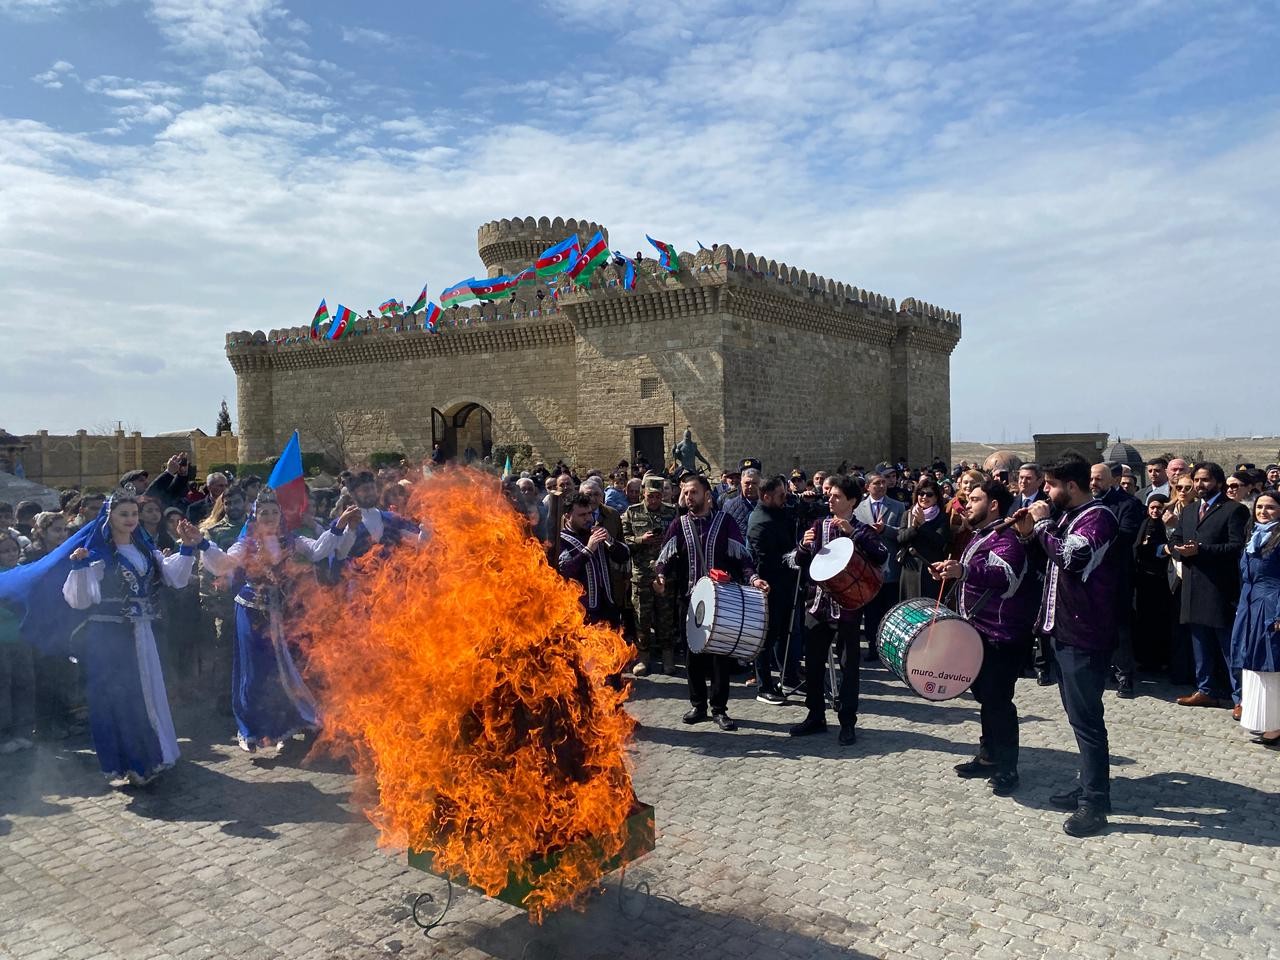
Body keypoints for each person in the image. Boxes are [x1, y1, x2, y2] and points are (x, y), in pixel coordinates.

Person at [201, 490, 360, 753]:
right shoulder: (245, 545)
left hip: (284, 611)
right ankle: (250, 729)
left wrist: (339, 524)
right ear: (255, 517)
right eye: (264, 513)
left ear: (281, 516)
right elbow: (224, 564)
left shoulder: (293, 541)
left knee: (284, 670)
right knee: (255, 672)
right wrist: (203, 545)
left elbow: (318, 551)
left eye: (274, 512)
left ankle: (284, 728)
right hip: (252, 612)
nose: (270, 517)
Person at [62, 491, 204, 785]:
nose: (130, 519)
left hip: (142, 630)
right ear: (109, 518)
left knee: (148, 690)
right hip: (111, 636)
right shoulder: (98, 555)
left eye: (133, 514)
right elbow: (80, 600)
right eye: (123, 514)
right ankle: (134, 764)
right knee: (122, 696)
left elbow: (174, 578)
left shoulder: (145, 550)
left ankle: (155, 754)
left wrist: (187, 548)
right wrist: (78, 567)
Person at [1013, 455, 1119, 838]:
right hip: (1063, 631)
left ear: (1071, 486)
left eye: (1051, 485)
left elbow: (1072, 557)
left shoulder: (1098, 518)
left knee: (1088, 721)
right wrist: (1029, 533)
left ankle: (1095, 803)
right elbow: (1047, 556)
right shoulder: (1069, 517)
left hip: (1086, 634)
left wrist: (1042, 524)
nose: (1045, 491)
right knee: (1077, 717)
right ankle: (1088, 784)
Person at [931, 480, 1037, 795]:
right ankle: (989, 756)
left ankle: (1008, 768)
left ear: (993, 505)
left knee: (998, 702)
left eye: (975, 499)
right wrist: (950, 570)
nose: (967, 505)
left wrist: (963, 571)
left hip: (1001, 636)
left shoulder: (1007, 538)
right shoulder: (982, 535)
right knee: (986, 699)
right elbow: (971, 574)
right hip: (978, 634)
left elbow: (1007, 578)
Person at [653, 473, 768, 731]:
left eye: (693, 492)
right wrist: (660, 576)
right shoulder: (679, 524)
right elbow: (665, 558)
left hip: (721, 601)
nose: (688, 497)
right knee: (693, 655)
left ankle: (719, 709)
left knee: (719, 656)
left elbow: (742, 558)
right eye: (685, 492)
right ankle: (698, 705)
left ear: (707, 495)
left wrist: (754, 579)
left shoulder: (725, 521)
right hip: (690, 600)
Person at [789, 474, 886, 745]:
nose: (830, 500)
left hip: (848, 609)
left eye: (837, 496)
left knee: (848, 666)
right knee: (813, 664)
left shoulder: (862, 529)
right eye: (829, 495)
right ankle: (815, 716)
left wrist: (853, 533)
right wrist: (803, 546)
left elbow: (881, 555)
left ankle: (847, 722)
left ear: (852, 501)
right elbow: (800, 562)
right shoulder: (818, 525)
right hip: (817, 606)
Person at [1170, 463, 1250, 717]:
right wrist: (1179, 551)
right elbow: (1175, 539)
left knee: (1229, 648)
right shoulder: (1190, 510)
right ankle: (1206, 689)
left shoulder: (1233, 510)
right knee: (1200, 645)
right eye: (1196, 480)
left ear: (1218, 482)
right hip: (1193, 587)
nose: (1199, 485)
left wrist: (1201, 550)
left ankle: (1241, 698)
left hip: (1220, 590)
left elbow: (1236, 546)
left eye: (1205, 480)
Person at [1231, 489, 1280, 746]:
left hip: (1271, 605)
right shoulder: (1254, 535)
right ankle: (1259, 717)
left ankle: (1275, 723)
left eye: (1270, 507)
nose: (1263, 511)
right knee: (1250, 661)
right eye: (1259, 507)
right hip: (1249, 605)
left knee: (1270, 663)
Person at [1090, 462, 1143, 698]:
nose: (1093, 483)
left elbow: (1125, 536)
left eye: (1099, 479)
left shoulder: (1128, 504)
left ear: (1113, 480)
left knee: (1119, 627)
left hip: (1115, 575)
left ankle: (1124, 676)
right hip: (1088, 576)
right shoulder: (1085, 502)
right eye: (1091, 478)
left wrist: (1091, 545)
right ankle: (1100, 670)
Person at [746, 475, 800, 704]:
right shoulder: (760, 522)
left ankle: (788, 678)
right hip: (770, 588)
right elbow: (767, 559)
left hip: (786, 586)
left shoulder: (778, 513)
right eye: (781, 495)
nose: (785, 498)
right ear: (767, 496)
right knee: (767, 638)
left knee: (784, 635)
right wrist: (795, 557)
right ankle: (764, 686)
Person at [197, 484, 249, 716]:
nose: (233, 507)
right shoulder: (214, 532)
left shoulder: (255, 528)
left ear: (245, 503)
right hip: (225, 601)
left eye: (237, 502)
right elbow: (206, 568)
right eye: (228, 503)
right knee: (226, 649)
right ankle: (225, 698)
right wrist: (211, 598)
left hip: (253, 599)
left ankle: (249, 695)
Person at [621, 476, 677, 674]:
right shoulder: (632, 512)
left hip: (665, 576)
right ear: (643, 493)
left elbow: (679, 537)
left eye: (657, 496)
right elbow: (622, 541)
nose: (654, 500)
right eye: (650, 496)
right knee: (641, 619)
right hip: (641, 576)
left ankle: (668, 657)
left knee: (666, 618)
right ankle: (643, 657)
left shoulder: (672, 512)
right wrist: (640, 540)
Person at [852, 468, 904, 661]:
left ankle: (891, 648)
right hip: (868, 569)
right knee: (871, 612)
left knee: (890, 610)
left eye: (883, 482)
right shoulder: (858, 508)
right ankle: (873, 648)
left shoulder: (898, 506)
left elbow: (903, 533)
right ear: (867, 486)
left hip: (890, 568)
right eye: (877, 483)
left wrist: (885, 529)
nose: (882, 486)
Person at [558, 493, 631, 628]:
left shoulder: (596, 533)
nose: (588, 518)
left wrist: (610, 540)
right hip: (581, 612)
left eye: (590, 513)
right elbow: (565, 572)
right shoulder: (561, 540)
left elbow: (624, 556)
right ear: (567, 516)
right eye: (582, 515)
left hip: (608, 607)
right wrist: (588, 550)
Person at [0, 530, 36, 753]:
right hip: (2, 640)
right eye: (5, 551)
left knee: (25, 683)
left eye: (14, 549)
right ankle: (3, 735)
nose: (11, 554)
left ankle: (23, 732)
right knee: (3, 686)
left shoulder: (24, 573)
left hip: (23, 638)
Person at [1133, 494, 1174, 671]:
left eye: (1159, 508)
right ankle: (1146, 660)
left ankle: (1160, 660)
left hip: (1161, 579)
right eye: (1152, 507)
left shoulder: (1165, 526)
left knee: (1160, 620)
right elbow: (1139, 547)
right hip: (1144, 578)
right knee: (1145, 620)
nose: (1155, 511)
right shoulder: (1145, 523)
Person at [896, 478, 951, 601]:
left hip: (931, 568)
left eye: (929, 494)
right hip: (910, 568)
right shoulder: (908, 514)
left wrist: (923, 525)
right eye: (921, 493)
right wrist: (914, 527)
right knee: (910, 606)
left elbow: (940, 541)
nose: (924, 497)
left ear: (936, 498)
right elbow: (900, 538)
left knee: (928, 605)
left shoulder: (941, 516)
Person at [722, 466, 761, 534]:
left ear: (760, 484)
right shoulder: (729, 506)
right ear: (741, 483)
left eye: (754, 483)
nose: (750, 486)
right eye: (747, 483)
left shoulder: (769, 505)